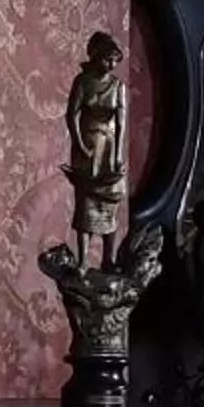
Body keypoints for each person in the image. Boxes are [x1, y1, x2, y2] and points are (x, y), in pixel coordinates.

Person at [63, 33, 126, 268]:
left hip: (109, 148)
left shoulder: (118, 86)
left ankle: (108, 258)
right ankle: (83, 261)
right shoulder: (82, 82)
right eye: (107, 59)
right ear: (96, 57)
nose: (111, 64)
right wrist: (79, 144)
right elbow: (72, 114)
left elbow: (121, 122)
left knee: (110, 203)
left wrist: (118, 153)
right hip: (88, 146)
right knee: (85, 204)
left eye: (115, 60)